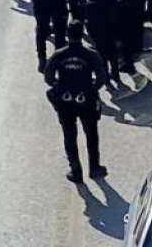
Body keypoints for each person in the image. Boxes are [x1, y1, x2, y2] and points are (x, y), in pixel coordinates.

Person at [43, 21, 109, 184]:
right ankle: (94, 167)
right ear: (82, 34)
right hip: (86, 99)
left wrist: (59, 86)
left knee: (69, 135)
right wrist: (91, 88)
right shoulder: (90, 54)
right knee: (91, 134)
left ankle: (76, 170)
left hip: (65, 101)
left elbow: (48, 77)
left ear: (67, 34)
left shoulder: (59, 55)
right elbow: (101, 77)